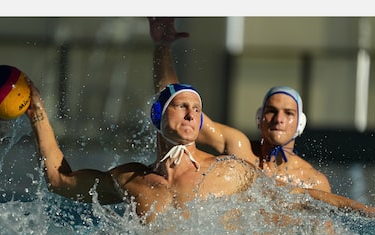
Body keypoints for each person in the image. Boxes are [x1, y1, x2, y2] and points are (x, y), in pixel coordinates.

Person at [25, 77, 257, 225]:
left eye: (197, 109)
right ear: (158, 115)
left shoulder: (229, 170)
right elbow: (59, 181)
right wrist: (37, 113)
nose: (191, 114)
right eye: (181, 106)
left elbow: (277, 196)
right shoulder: (131, 180)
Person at [149, 17, 333, 193]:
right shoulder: (240, 149)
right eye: (271, 111)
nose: (279, 119)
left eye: (289, 113)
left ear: (300, 123)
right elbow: (174, 103)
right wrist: (162, 46)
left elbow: (325, 226)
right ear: (259, 118)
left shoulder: (313, 181)